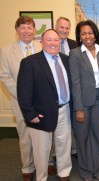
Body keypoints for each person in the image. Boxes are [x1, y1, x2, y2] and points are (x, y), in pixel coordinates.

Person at [0, 16, 57, 181]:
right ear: (17, 31)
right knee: (25, 136)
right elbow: (5, 77)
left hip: (44, 102)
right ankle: (28, 167)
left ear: (34, 30)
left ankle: (48, 162)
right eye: (22, 28)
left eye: (30, 27)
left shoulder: (43, 46)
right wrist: (23, 97)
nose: (26, 31)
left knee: (47, 134)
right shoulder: (5, 51)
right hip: (20, 103)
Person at [17, 29, 72, 181]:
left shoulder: (66, 59)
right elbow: (23, 91)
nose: (53, 43)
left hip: (64, 110)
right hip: (41, 113)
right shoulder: (30, 62)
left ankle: (64, 173)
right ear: (41, 42)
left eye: (56, 40)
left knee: (64, 144)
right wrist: (30, 114)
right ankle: (42, 177)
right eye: (49, 40)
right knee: (42, 150)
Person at [69, 20, 99, 181]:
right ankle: (86, 171)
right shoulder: (75, 54)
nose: (87, 36)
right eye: (83, 33)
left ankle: (97, 170)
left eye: (90, 32)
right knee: (83, 137)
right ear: (79, 36)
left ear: (95, 34)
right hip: (83, 102)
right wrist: (78, 108)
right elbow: (75, 81)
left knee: (97, 136)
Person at [55, 16, 78, 159]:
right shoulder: (50, 43)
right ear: (56, 27)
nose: (64, 30)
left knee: (71, 121)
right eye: (61, 27)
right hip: (56, 90)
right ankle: (55, 155)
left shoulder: (75, 44)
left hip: (72, 90)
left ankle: (74, 149)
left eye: (67, 28)